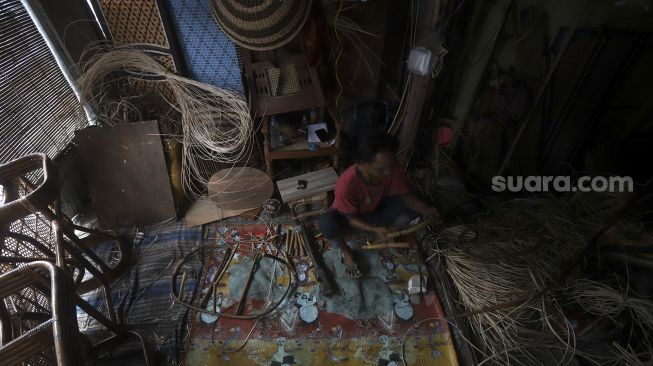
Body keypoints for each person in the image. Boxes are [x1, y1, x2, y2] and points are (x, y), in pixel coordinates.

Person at [318, 131, 439, 278]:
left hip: (375, 211)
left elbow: (409, 199)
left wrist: (428, 210)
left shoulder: (393, 168)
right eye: (381, 168)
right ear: (363, 164)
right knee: (326, 223)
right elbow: (351, 218)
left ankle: (389, 232)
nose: (388, 172)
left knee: (417, 206)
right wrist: (373, 229)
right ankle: (346, 251)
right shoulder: (347, 183)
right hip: (350, 219)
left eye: (391, 165)